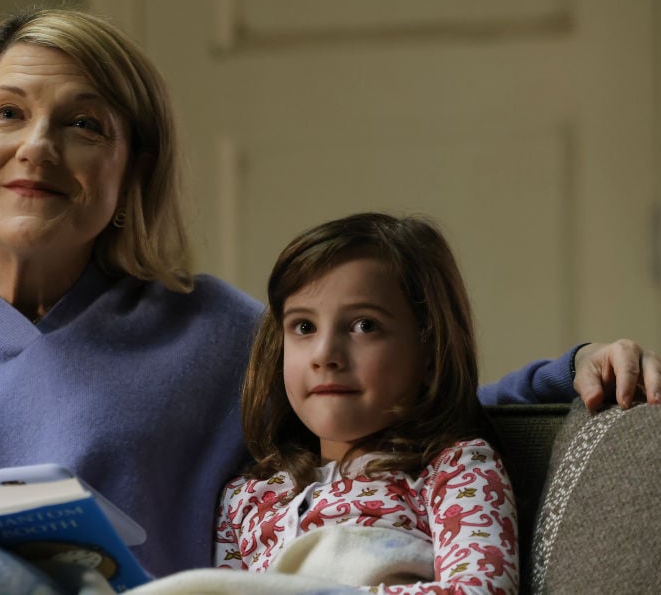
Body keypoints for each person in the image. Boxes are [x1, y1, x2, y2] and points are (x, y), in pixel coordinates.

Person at [0, 8, 661, 592]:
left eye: (82, 123)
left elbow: (378, 399)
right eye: (8, 113)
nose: (37, 146)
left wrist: (563, 372)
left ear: (130, 170)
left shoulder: (214, 333)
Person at [216, 213, 518, 592]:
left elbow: (479, 591)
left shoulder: (454, 470)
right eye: (304, 327)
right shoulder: (246, 498)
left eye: (364, 325)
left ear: (428, 350)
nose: (325, 354)